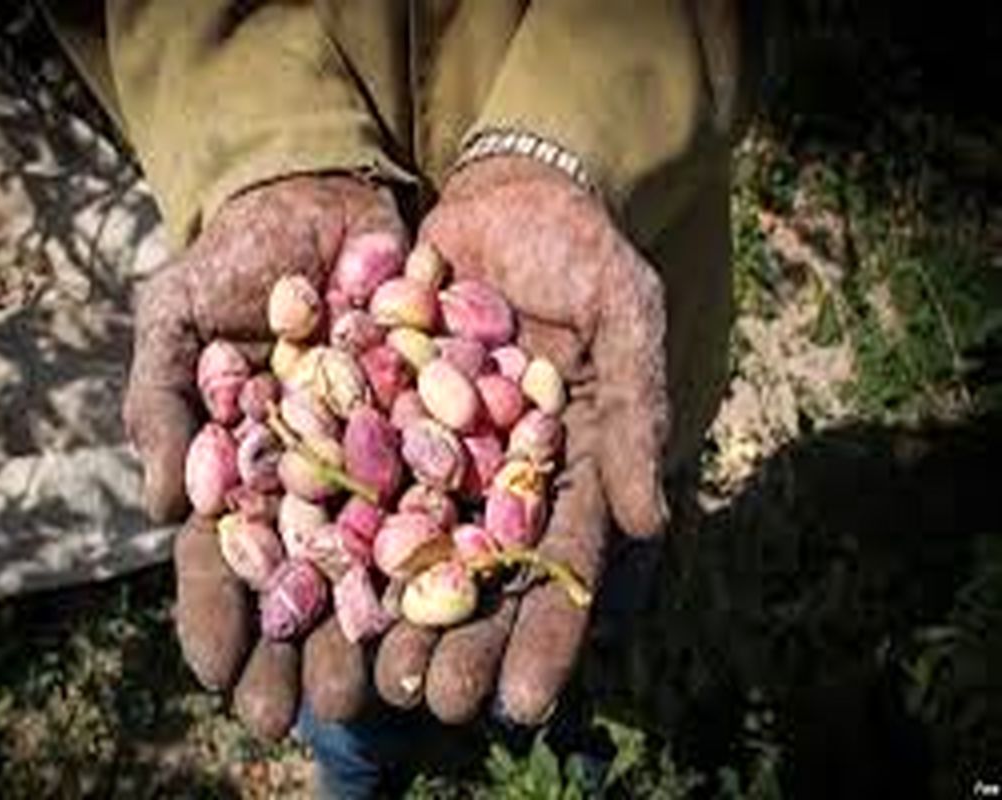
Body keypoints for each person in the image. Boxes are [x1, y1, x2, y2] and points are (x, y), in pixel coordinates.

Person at [44, 1, 753, 795]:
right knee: (348, 707)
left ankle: (572, 740)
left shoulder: (440, 400)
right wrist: (267, 152)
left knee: (588, 621)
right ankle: (364, 769)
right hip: (347, 228)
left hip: (614, 278)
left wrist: (562, 150)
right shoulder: (338, 415)